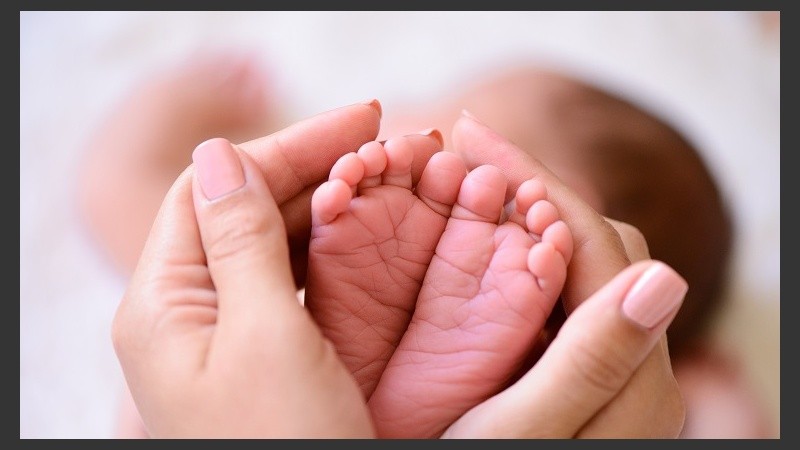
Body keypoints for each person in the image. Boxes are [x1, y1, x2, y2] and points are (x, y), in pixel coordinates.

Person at [110, 100, 687, 437]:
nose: (413, 106)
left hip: (232, 396)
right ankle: (407, 408)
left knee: (172, 372)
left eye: (444, 97)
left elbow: (137, 213)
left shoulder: (255, 268)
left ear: (560, 189)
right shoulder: (666, 395)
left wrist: (133, 148)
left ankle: (356, 385)